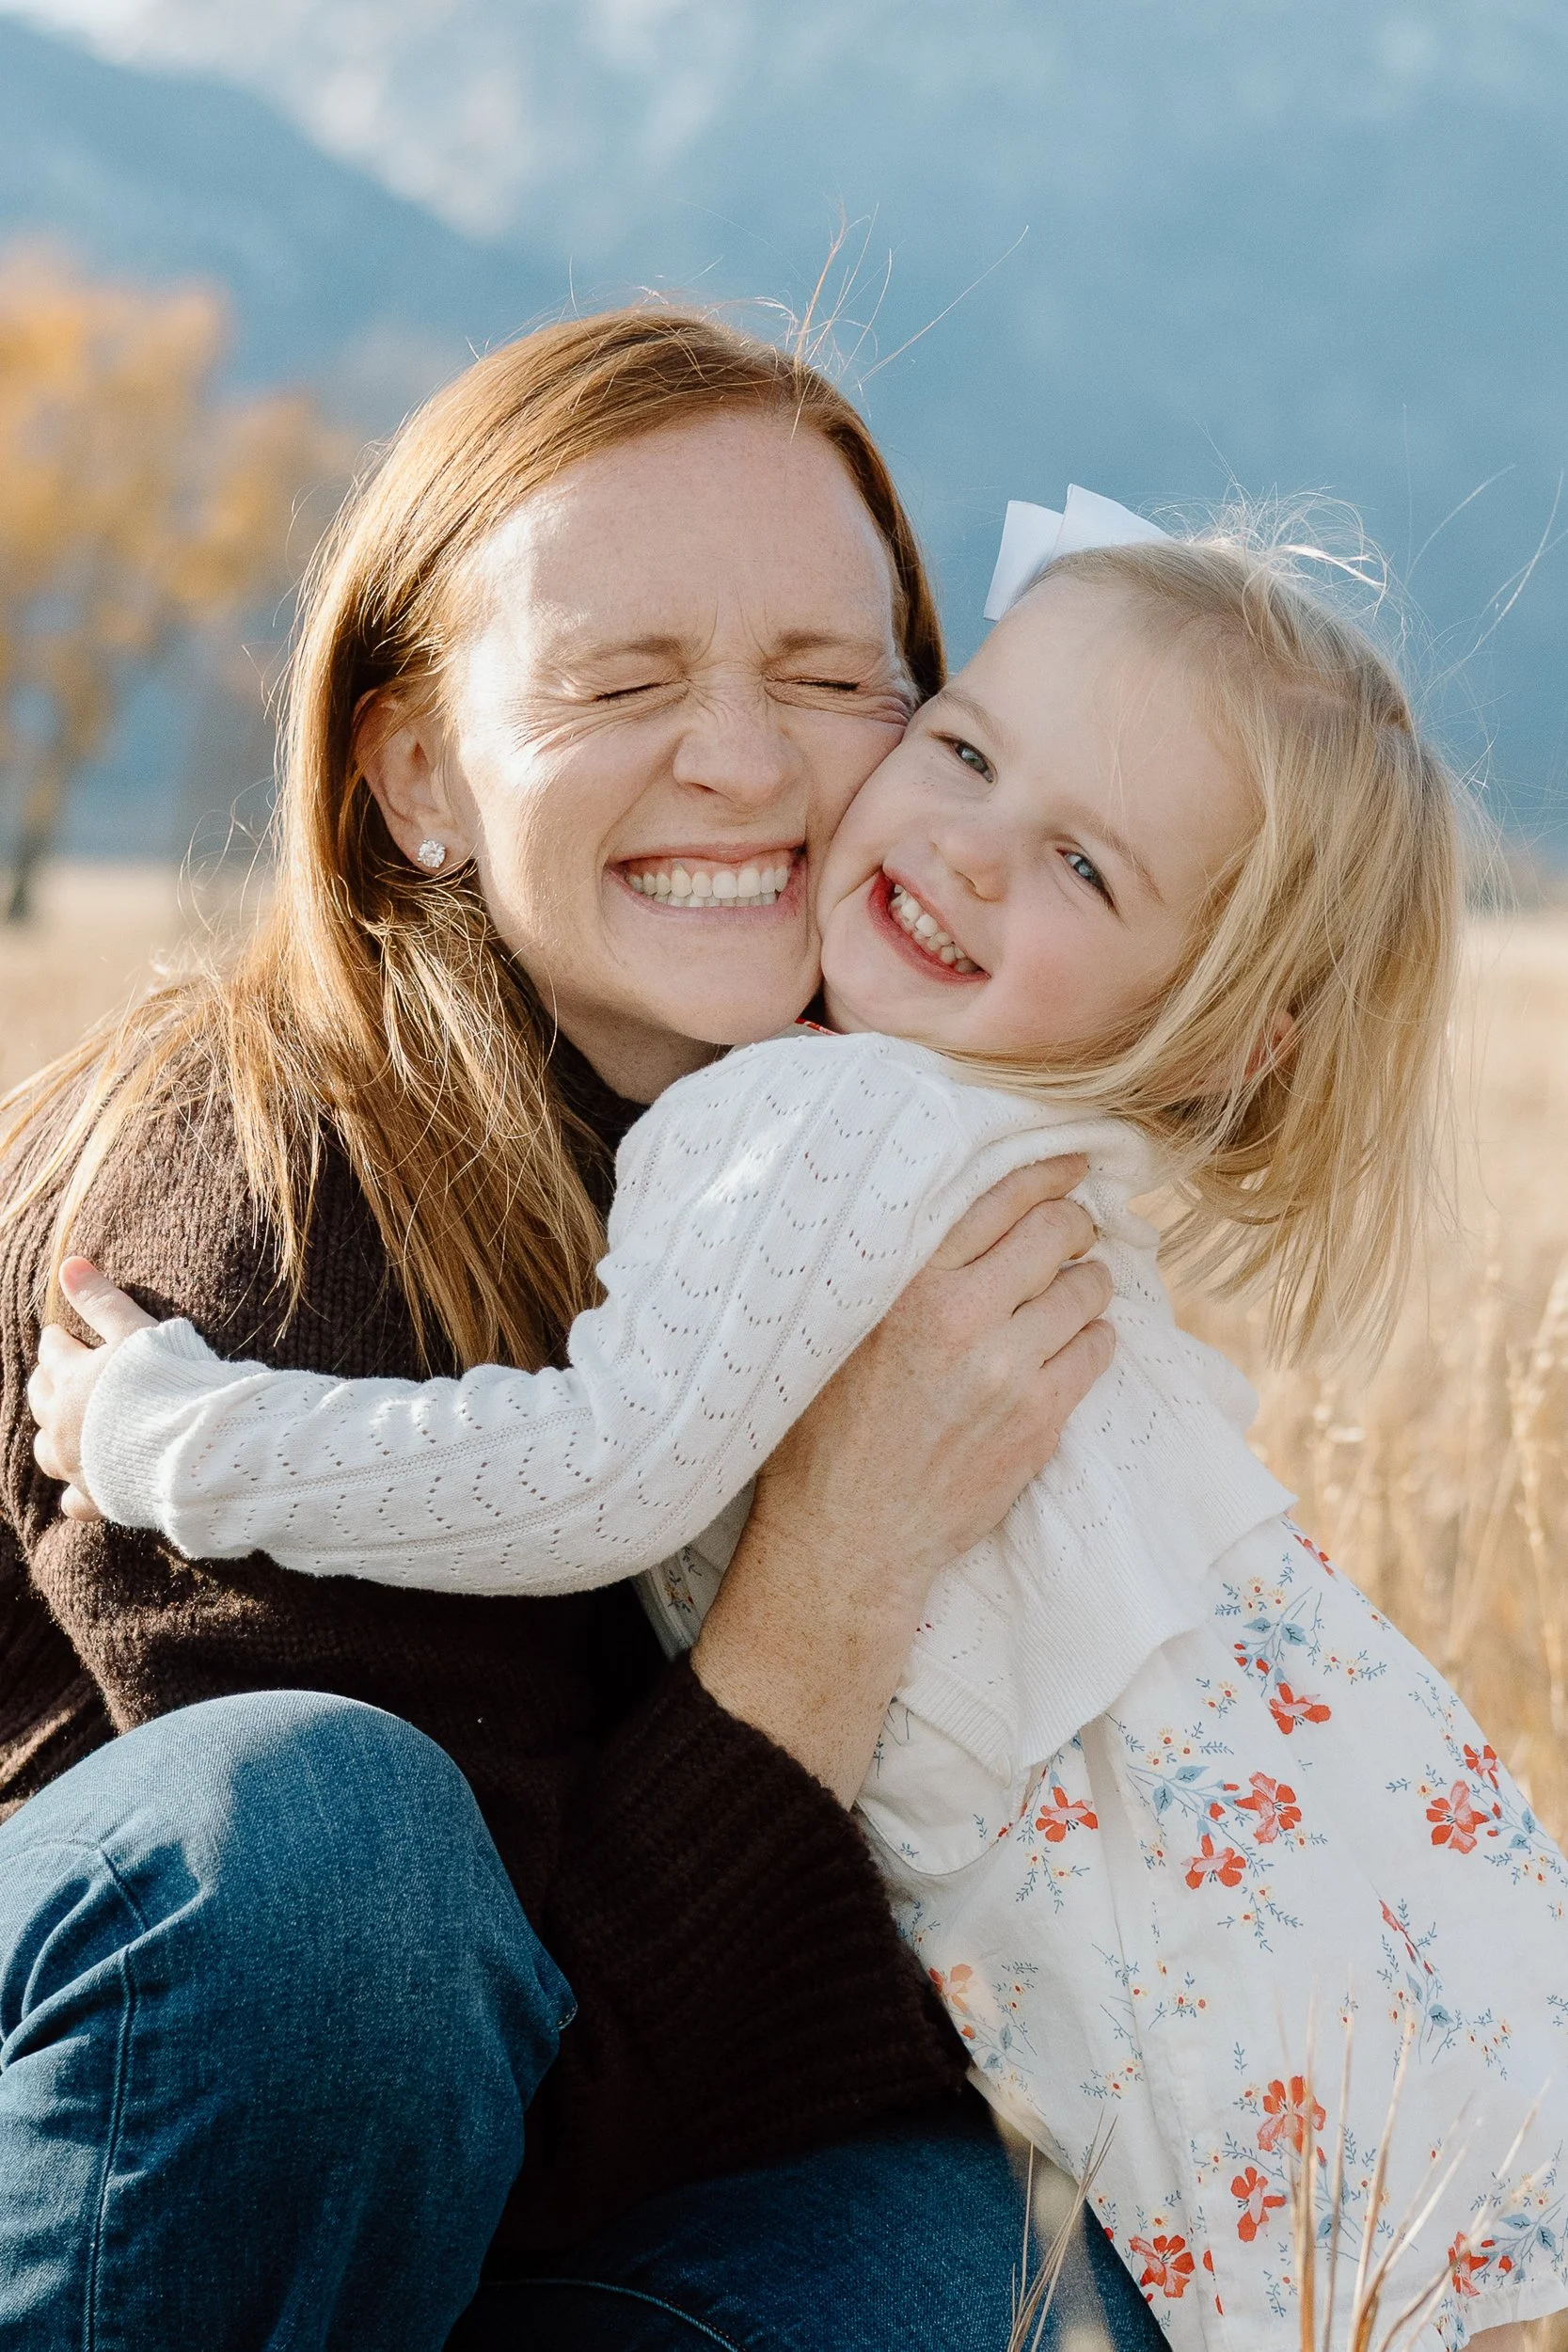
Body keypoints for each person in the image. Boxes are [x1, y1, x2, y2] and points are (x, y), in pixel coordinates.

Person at [36, 499, 1568, 2349]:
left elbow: (597, 1465)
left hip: (1162, 1922)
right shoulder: (982, 1137)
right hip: (1331, 1911)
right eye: (966, 753)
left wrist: (172, 1428)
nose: (969, 851)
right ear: (412, 764)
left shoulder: (837, 1121)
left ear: (1218, 1024)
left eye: (1082, 866)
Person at [0, 313, 1154, 2352]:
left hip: (541, 2188)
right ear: (415, 770)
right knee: (319, 1831)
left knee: (1014, 2273)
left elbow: (891, 2027)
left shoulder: (856, 1165)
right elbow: (401, 2080)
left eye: (827, 676)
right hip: (162, 2201)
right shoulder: (263, 1189)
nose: (742, 758)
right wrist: (833, 1571)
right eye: (622, 682)